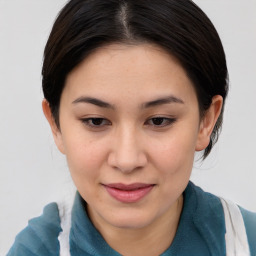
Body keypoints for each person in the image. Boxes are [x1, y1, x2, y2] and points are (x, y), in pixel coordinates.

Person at [7, 0, 256, 255]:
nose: (127, 160)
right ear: (55, 124)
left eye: (159, 120)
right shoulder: (37, 250)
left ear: (206, 121)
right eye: (96, 121)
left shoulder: (247, 241)